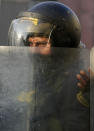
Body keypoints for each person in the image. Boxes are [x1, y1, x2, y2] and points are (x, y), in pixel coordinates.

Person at [7, 1, 89, 131]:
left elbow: (75, 124)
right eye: (30, 43)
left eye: (41, 44)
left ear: (62, 45)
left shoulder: (77, 81)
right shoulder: (27, 75)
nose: (32, 51)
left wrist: (85, 100)